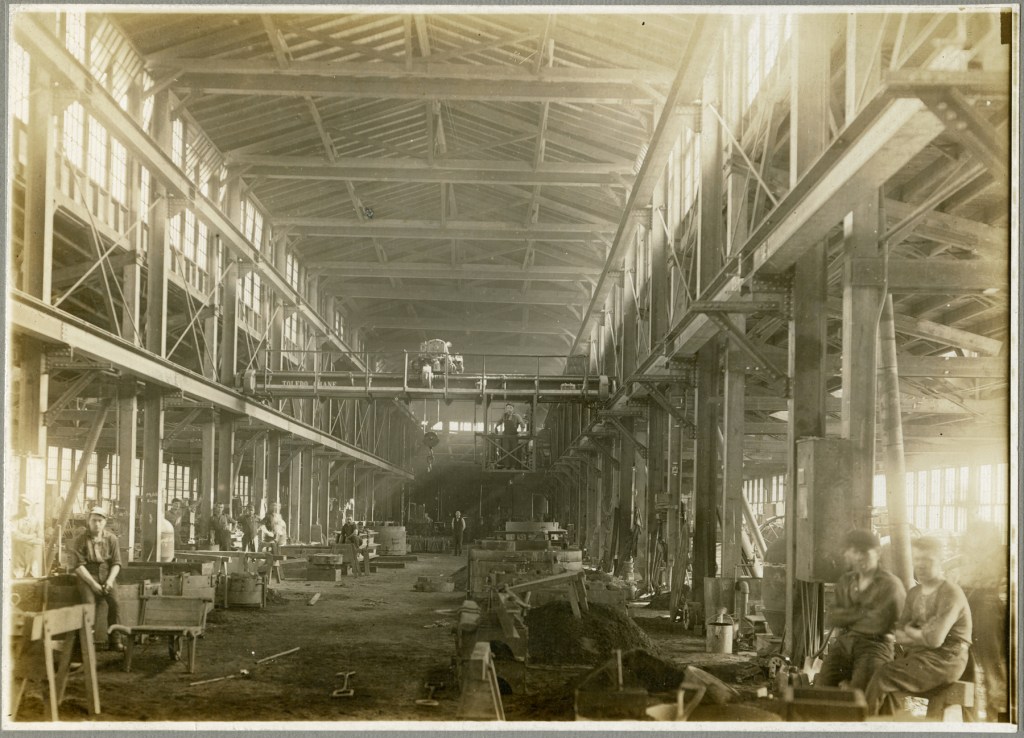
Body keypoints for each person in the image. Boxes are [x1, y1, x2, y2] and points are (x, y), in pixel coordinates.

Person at [864, 536, 973, 716]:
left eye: (927, 560)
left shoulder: (950, 593)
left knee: (884, 676)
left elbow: (935, 640)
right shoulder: (915, 593)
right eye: (917, 559)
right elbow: (900, 635)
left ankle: (863, 726)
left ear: (940, 561)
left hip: (946, 660)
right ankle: (884, 726)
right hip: (921, 656)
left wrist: (912, 632)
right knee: (875, 672)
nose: (921, 565)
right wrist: (921, 633)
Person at [817, 530, 906, 693]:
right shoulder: (846, 581)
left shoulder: (891, 585)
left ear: (878, 552)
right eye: (854, 552)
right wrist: (865, 614)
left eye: (864, 552)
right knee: (822, 686)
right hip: (845, 642)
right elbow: (832, 617)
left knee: (859, 693)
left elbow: (880, 624)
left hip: (876, 646)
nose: (859, 557)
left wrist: (848, 616)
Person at [69, 506, 123, 651]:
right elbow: (78, 566)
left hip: (106, 574)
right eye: (94, 520)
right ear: (88, 521)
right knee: (89, 603)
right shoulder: (80, 540)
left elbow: (116, 563)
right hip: (87, 575)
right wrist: (93, 584)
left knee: (115, 603)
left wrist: (110, 581)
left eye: (100, 520)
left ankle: (115, 640)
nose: (97, 524)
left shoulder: (111, 539)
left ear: (105, 522)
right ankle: (86, 641)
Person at [12, 495, 45, 578]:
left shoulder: (36, 521)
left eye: (28, 505)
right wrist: (32, 536)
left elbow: (40, 540)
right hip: (19, 553)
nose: (25, 508)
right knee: (18, 575)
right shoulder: (15, 519)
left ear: (31, 507)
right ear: (20, 506)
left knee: (33, 575)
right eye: (23, 505)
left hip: (32, 553)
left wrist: (22, 538)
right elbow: (15, 537)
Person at [496, 403, 524, 469]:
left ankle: (513, 466)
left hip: (514, 436)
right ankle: (507, 466)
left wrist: (521, 433)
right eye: (508, 408)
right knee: (505, 450)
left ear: (513, 409)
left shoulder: (517, 416)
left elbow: (522, 425)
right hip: (506, 436)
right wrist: (496, 426)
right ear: (506, 409)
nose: (509, 409)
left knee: (514, 451)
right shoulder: (504, 415)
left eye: (510, 408)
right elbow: (500, 421)